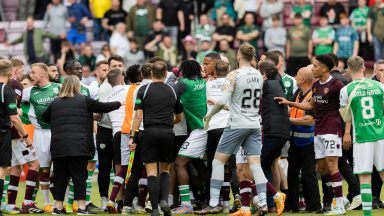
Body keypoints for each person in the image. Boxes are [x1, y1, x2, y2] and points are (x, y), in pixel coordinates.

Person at [196, 44, 285, 216]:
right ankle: (263, 203)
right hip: (254, 124)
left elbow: (222, 101)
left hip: (237, 124)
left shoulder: (234, 74)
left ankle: (214, 202)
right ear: (252, 57)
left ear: (238, 56)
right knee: (255, 165)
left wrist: (208, 116)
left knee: (218, 162)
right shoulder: (258, 75)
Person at [276, 54, 346, 215]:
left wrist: (346, 130)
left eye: (315, 66)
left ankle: (339, 204)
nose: (312, 68)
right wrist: (289, 103)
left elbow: (346, 106)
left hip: (332, 130)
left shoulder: (337, 85)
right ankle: (337, 196)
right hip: (319, 131)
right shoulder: (316, 86)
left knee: (331, 164)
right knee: (322, 168)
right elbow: (310, 105)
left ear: (324, 68)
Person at [42, 75, 122, 215]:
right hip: (79, 145)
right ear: (77, 86)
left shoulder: (55, 103)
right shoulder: (84, 100)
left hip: (59, 146)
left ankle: (58, 208)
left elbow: (44, 117)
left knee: (60, 177)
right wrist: (120, 103)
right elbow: (103, 107)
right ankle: (81, 207)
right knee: (79, 177)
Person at [129, 61, 183, 216]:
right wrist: (167, 122)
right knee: (165, 169)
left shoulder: (143, 90)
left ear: (151, 73)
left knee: (151, 171)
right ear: (166, 74)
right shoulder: (172, 91)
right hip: (167, 132)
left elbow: (138, 117)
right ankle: (164, 200)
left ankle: (154, 209)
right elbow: (179, 117)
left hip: (149, 132)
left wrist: (132, 136)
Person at [339, 56, 384, 216]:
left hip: (362, 137)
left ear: (349, 69)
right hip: (381, 135)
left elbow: (346, 116)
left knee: (365, 177)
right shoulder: (379, 86)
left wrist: (347, 131)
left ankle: (367, 215)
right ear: (364, 68)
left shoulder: (346, 90)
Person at [167, 60, 207, 214]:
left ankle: (186, 204)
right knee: (203, 166)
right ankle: (209, 198)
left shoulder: (184, 83)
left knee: (179, 163)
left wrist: (173, 75)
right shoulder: (203, 83)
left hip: (199, 129)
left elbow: (169, 91)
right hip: (209, 127)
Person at [21, 63, 61, 213]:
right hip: (41, 134)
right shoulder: (28, 91)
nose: (31, 76)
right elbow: (15, 104)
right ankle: (46, 202)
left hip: (59, 132)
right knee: (43, 169)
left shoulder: (58, 88)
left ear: (43, 74)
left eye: (33, 73)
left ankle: (65, 202)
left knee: (60, 169)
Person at [287, 67, 322, 213]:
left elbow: (309, 120)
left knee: (309, 175)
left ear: (302, 79)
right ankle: (293, 207)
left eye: (297, 75)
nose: (295, 77)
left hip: (308, 143)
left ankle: (315, 206)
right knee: (292, 175)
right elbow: (292, 109)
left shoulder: (312, 95)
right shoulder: (299, 93)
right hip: (295, 142)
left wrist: (287, 120)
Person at [0, 59, 32, 216]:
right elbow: (14, 117)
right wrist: (25, 135)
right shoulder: (7, 90)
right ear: (10, 72)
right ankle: (4, 204)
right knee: (3, 168)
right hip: (4, 133)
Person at [259, 61, 290, 212]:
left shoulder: (265, 85)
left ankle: (276, 196)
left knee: (255, 166)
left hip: (273, 131)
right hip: (282, 132)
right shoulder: (277, 83)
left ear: (263, 75)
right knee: (267, 165)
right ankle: (270, 205)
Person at [104, 69, 129, 213]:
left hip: (116, 133)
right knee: (136, 167)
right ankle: (134, 201)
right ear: (121, 79)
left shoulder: (107, 98)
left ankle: (118, 201)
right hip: (128, 131)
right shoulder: (128, 89)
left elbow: (105, 119)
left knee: (119, 168)